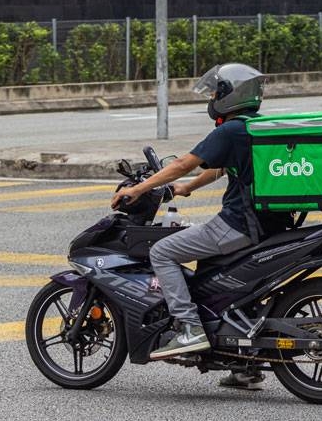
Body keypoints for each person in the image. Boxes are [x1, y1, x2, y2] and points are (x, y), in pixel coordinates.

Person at [110, 63, 291, 381]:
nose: (211, 98)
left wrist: (137, 189)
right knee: (212, 273)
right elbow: (220, 167)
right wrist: (187, 188)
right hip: (269, 223)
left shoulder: (230, 130)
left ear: (228, 96)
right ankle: (243, 366)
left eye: (214, 93)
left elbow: (183, 163)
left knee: (162, 252)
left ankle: (190, 328)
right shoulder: (257, 127)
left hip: (238, 224)